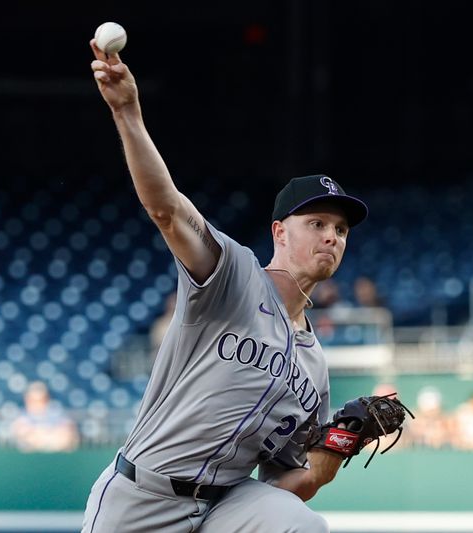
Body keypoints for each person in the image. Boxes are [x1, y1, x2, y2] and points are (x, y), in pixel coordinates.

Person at [83, 37, 369, 533]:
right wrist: (128, 113)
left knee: (304, 525)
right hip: (144, 498)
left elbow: (292, 486)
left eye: (340, 230)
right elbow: (166, 209)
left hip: (226, 507)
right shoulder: (231, 276)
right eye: (318, 223)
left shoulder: (314, 368)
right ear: (279, 231)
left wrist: (339, 446)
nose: (332, 236)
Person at [11, 381, 79, 453]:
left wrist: (40, 437)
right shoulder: (21, 418)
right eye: (34, 400)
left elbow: (67, 437)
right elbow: (24, 438)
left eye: (41, 400)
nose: (38, 404)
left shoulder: (58, 414)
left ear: (47, 399)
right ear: (27, 400)